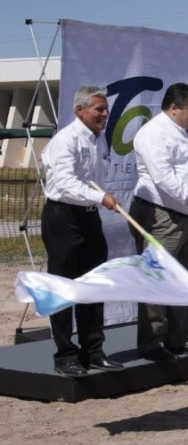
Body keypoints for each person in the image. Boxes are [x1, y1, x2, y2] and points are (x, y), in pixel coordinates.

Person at [39, 86, 124, 376]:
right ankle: (65, 355)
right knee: (63, 287)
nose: (104, 114)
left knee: (93, 283)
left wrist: (101, 197)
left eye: (105, 109)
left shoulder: (99, 140)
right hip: (63, 218)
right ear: (80, 110)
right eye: (99, 109)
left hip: (89, 218)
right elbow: (65, 183)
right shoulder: (66, 140)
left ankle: (93, 350)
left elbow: (93, 181)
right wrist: (101, 197)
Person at [130, 82, 188, 361]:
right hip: (162, 215)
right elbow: (163, 176)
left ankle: (180, 338)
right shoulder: (154, 133)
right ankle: (153, 341)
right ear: (174, 107)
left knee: (185, 279)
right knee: (157, 277)